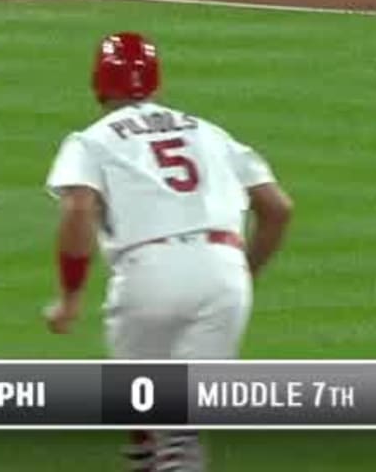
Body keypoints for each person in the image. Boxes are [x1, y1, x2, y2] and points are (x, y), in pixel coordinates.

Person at [42, 32, 294, 472]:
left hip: (148, 276)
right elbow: (277, 208)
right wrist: (242, 274)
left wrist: (70, 298)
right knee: (178, 433)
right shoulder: (210, 131)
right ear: (156, 82)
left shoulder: (91, 140)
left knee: (146, 426)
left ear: (97, 83)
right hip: (225, 274)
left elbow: (79, 207)